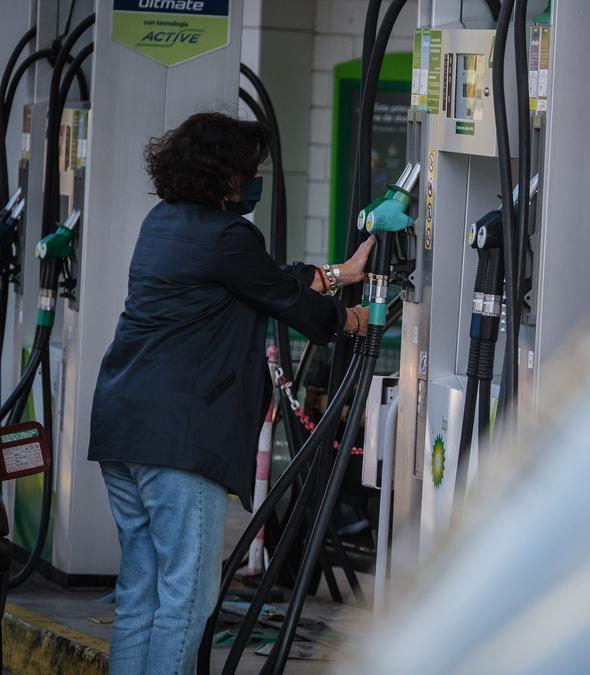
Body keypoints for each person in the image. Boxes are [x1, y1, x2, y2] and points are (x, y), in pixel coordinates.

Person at [87, 111, 372, 675]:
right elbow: (283, 297)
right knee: (187, 601)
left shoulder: (161, 222)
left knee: (141, 592)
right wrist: (352, 320)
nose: (256, 180)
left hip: (122, 425)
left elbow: (263, 279)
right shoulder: (227, 236)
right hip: (179, 440)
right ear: (225, 175)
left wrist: (336, 274)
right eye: (251, 170)